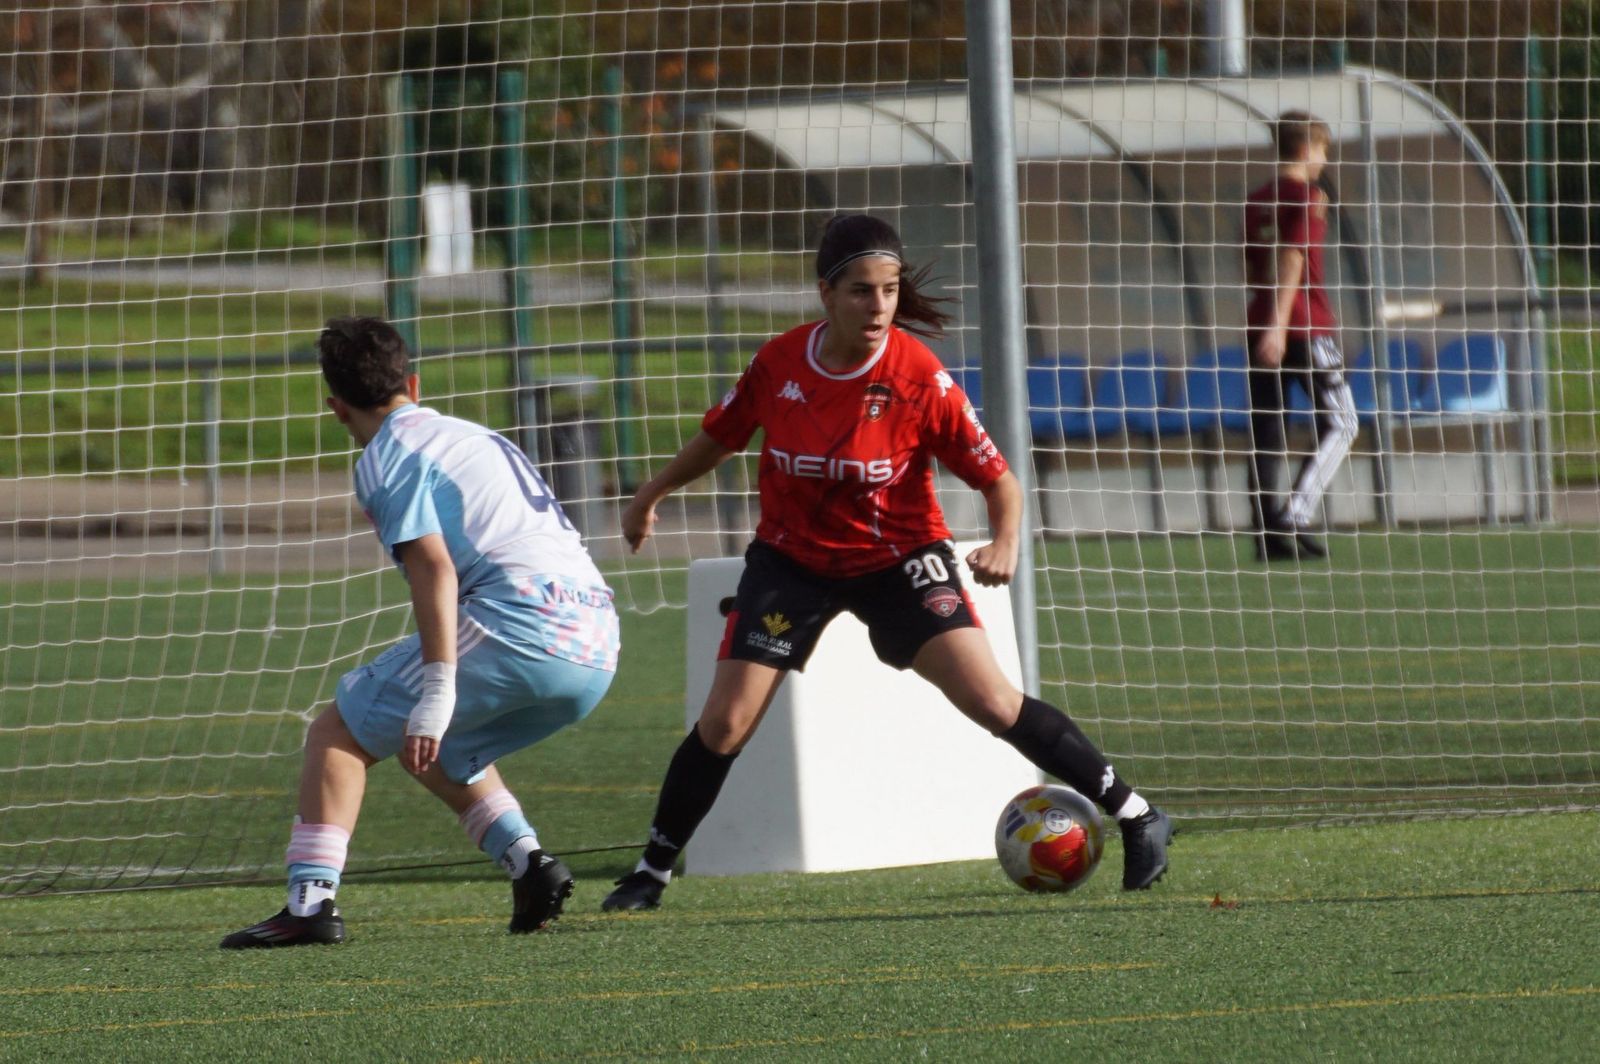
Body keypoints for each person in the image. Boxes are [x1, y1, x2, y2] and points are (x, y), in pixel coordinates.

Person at [600, 214, 1172, 913]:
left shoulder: (919, 375)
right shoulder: (778, 363)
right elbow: (721, 438)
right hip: (791, 563)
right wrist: (651, 492)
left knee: (991, 700)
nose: (878, 308)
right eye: (862, 292)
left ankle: (1139, 815)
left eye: (890, 291)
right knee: (726, 723)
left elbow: (1000, 481)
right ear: (826, 294)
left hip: (899, 560)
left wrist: (1005, 541)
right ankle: (651, 872)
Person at [222, 316, 620, 948]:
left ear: (335, 408)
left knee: (341, 730)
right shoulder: (481, 437)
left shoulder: (387, 454)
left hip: (520, 626)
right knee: (432, 748)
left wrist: (439, 689)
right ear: (413, 380)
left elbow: (433, 567)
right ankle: (528, 863)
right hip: (597, 643)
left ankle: (309, 905)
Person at [1243, 110, 1359, 563]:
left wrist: (1265, 321)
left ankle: (1266, 537)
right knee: (1344, 420)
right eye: (1325, 151)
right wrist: (1279, 323)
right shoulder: (1308, 196)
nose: (1324, 162)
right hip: (1304, 326)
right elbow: (1293, 258)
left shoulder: (1256, 200)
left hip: (1261, 326)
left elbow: (1253, 267)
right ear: (1310, 148)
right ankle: (1296, 512)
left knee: (1266, 434)